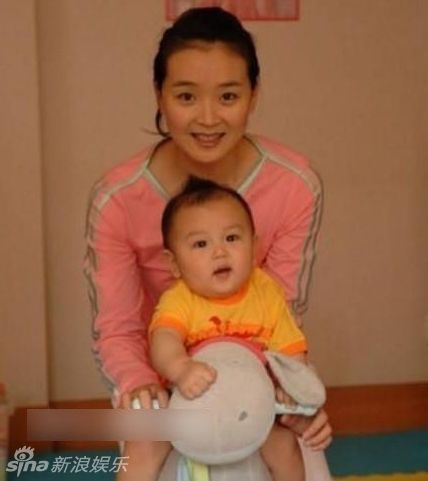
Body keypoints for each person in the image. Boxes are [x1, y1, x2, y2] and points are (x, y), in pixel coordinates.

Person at [84, 6, 332, 481]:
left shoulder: (295, 185)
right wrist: (143, 385)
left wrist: (294, 395)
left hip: (256, 369)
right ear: (159, 94)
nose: (208, 117)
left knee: (301, 459)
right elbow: (116, 329)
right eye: (186, 96)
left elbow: (281, 311)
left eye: (228, 96)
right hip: (160, 376)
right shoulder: (116, 199)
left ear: (254, 95)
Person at [148, 175, 322, 481]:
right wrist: (181, 368)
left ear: (254, 247)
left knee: (285, 446)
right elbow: (163, 339)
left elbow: (291, 348)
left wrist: (289, 387)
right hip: (191, 400)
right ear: (173, 263)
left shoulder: (266, 293)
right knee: (144, 443)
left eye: (231, 238)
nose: (220, 252)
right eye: (201, 244)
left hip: (251, 404)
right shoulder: (180, 298)